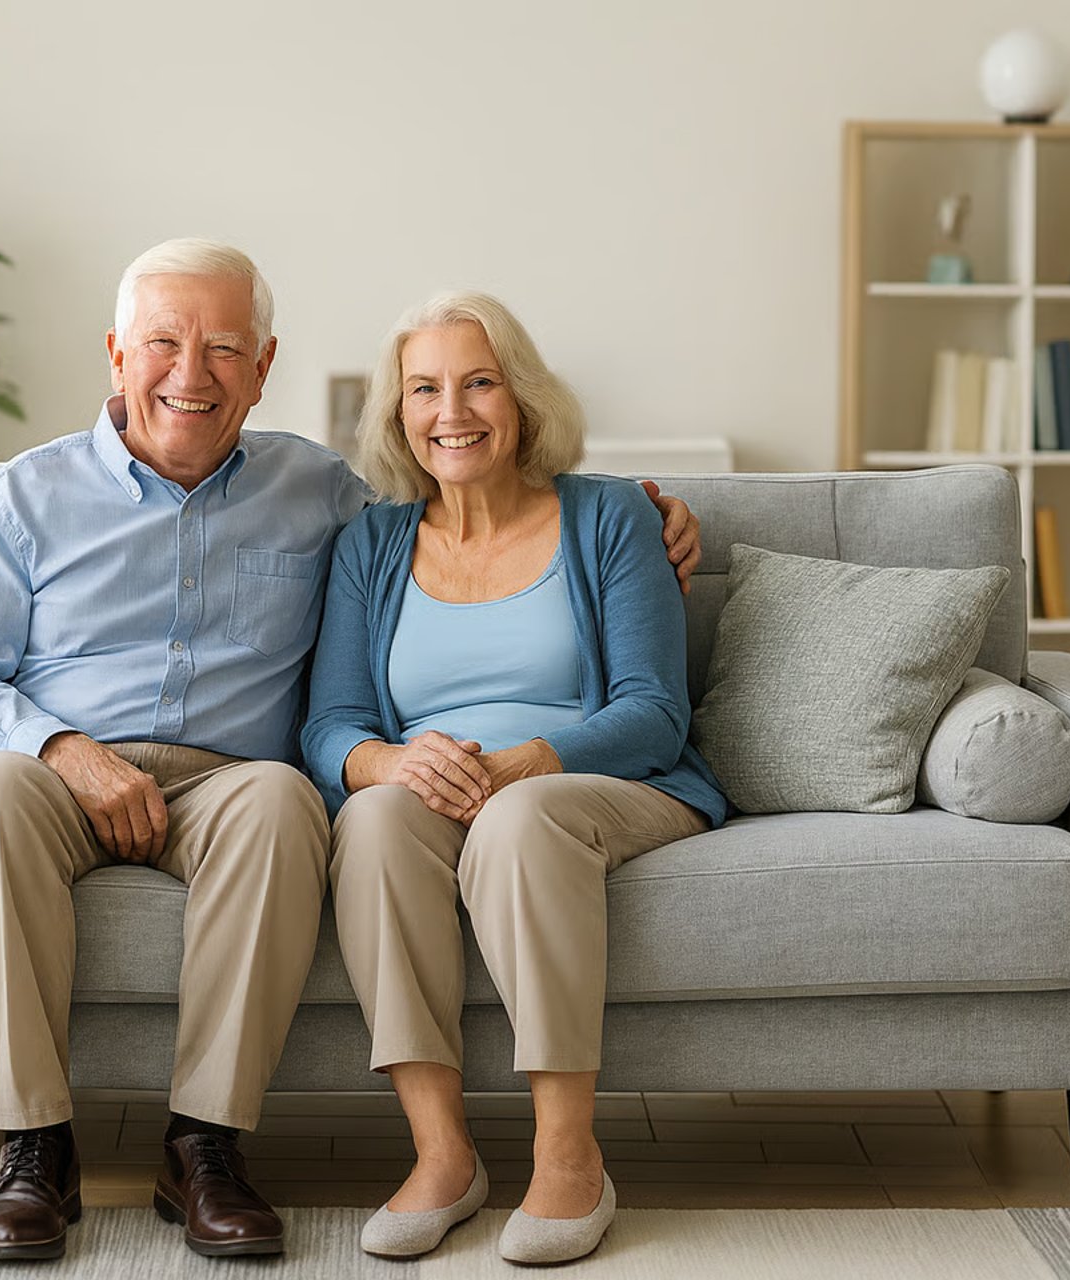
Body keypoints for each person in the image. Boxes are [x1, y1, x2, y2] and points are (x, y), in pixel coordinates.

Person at [0, 241, 705, 1263]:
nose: (189, 374)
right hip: (50, 768)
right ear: (116, 354)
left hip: (228, 780)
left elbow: (476, 526)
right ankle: (34, 1150)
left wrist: (659, 517)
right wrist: (63, 747)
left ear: (263, 365)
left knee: (285, 798)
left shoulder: (324, 493)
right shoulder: (18, 499)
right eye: (162, 343)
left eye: (223, 348)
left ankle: (204, 1146)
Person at [302, 291, 729, 1266]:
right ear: (399, 412)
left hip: (597, 782)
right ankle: (443, 1155)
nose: (453, 409)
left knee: (519, 819)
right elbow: (331, 724)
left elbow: (655, 711)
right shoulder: (371, 543)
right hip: (438, 789)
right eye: (426, 388)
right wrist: (390, 761)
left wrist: (527, 762)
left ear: (524, 398)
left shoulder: (615, 515)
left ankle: (569, 1154)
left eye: (479, 381)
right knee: (371, 820)